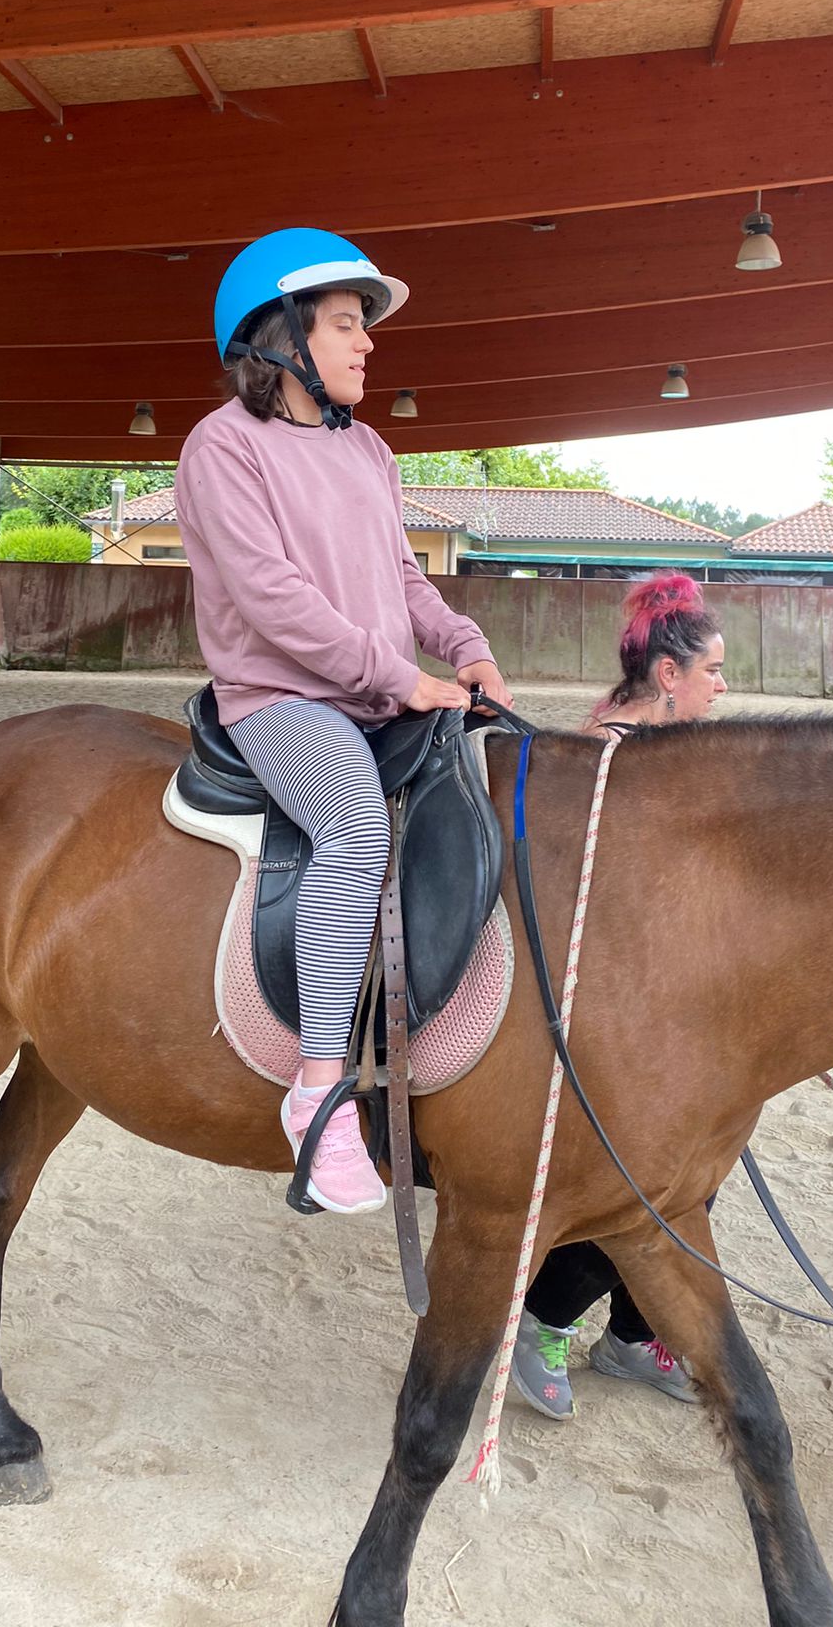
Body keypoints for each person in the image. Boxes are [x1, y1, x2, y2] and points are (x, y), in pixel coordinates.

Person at [174, 227, 508, 1215]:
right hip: (281, 699)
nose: (368, 345)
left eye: (365, 327)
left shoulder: (368, 446)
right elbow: (272, 600)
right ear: (279, 336)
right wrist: (399, 677)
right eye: (347, 325)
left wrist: (465, 644)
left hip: (374, 688)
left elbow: (404, 578)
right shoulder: (222, 448)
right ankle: (319, 1092)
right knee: (355, 826)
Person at [511, 573, 727, 1419]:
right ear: (668, 677)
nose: (721, 686)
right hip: (600, 1014)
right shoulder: (612, 764)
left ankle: (635, 1336)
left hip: (664, 1005)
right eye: (712, 670)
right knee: (654, 1181)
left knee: (700, 1173)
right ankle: (542, 1318)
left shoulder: (662, 752)